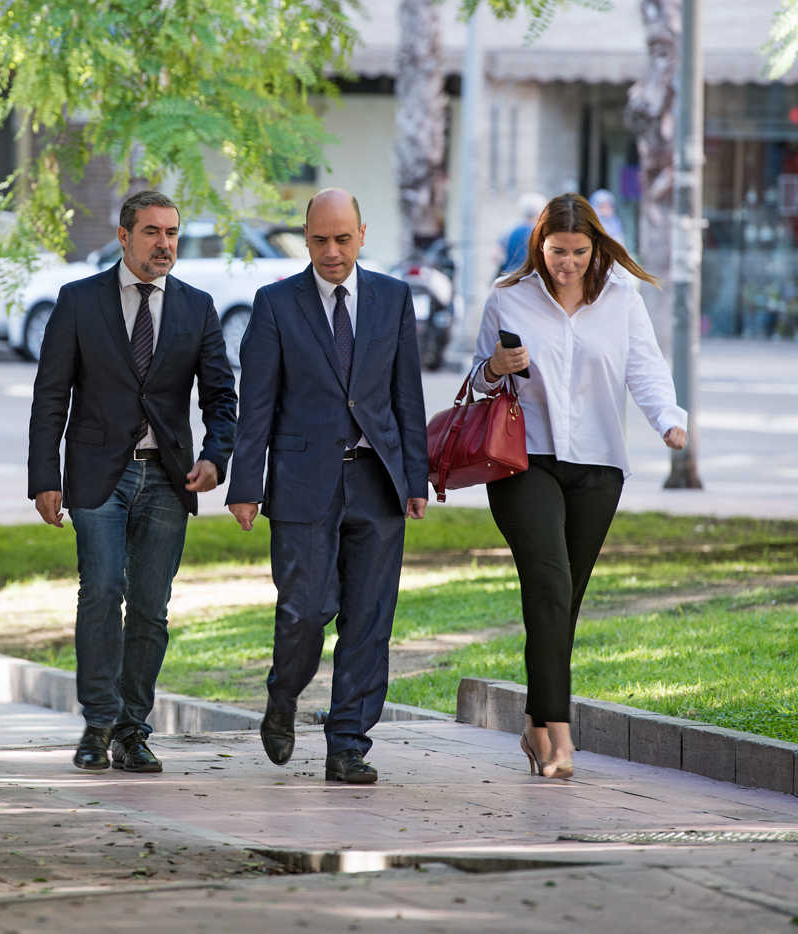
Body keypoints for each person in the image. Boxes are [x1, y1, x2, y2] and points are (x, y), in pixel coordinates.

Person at [472, 192, 686, 781]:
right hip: (523, 463)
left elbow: (645, 367)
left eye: (579, 252)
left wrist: (669, 418)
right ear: (539, 246)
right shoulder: (508, 296)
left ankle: (535, 724)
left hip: (597, 466)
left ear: (597, 249)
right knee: (549, 581)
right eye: (557, 251)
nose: (567, 263)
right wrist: (495, 368)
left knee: (562, 600)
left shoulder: (621, 298)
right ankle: (559, 732)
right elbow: (474, 382)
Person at [28, 190, 236, 774]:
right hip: (99, 475)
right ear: (124, 237)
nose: (164, 244)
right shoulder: (78, 301)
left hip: (170, 479)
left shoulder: (197, 307)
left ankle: (132, 729)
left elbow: (222, 398)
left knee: (150, 607)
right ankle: (97, 724)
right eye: (151, 232)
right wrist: (45, 476)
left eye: (171, 233)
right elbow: (50, 397)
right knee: (101, 592)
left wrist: (217, 457)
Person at [225, 188, 429, 785]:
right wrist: (246, 485)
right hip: (301, 484)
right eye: (320, 240)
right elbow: (255, 404)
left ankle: (348, 745)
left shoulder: (393, 299)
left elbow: (406, 396)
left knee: (369, 619)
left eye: (343, 239)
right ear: (305, 238)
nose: (332, 252)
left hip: (377, 479)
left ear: (363, 234)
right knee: (304, 614)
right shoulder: (275, 304)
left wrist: (414, 475)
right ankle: (283, 694)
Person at [499, 192, 546, 277]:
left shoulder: (511, 230)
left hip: (510, 277)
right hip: (531, 278)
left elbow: (496, 256)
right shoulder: (541, 232)